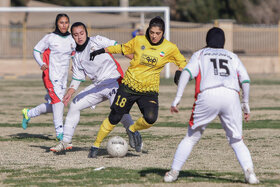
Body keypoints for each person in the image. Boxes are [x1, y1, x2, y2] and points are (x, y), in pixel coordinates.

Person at [163, 27, 259, 184]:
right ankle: (250, 173)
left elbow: (186, 73)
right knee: (236, 140)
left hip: (208, 94)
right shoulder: (232, 56)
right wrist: (245, 103)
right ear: (224, 42)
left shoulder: (200, 54)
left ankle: (173, 173)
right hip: (231, 96)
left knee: (191, 137)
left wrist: (177, 98)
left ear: (207, 40)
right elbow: (246, 80)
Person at [88, 16, 187, 158]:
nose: (154, 36)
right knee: (114, 117)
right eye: (152, 32)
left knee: (150, 118)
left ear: (163, 33)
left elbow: (182, 61)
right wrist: (102, 51)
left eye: (157, 33)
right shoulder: (139, 40)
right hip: (128, 86)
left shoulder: (170, 48)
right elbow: (122, 48)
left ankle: (133, 129)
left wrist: (180, 71)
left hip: (149, 90)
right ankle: (95, 145)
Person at [50, 22, 138, 153]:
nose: (79, 37)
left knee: (119, 111)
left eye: (81, 33)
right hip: (98, 85)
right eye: (76, 35)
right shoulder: (76, 56)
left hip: (114, 81)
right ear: (72, 37)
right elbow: (78, 76)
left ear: (86, 33)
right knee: (74, 105)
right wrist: (70, 91)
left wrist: (135, 58)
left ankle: (135, 135)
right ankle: (65, 141)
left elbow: (118, 47)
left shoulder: (97, 41)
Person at [21, 13, 76, 141]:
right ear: (57, 23)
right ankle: (60, 134)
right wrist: (42, 63)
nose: (64, 25)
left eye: (66, 22)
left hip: (63, 78)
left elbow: (74, 55)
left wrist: (74, 64)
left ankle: (28, 113)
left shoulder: (71, 39)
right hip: (50, 76)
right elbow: (36, 50)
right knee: (57, 102)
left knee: (57, 105)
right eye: (61, 22)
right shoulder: (50, 38)